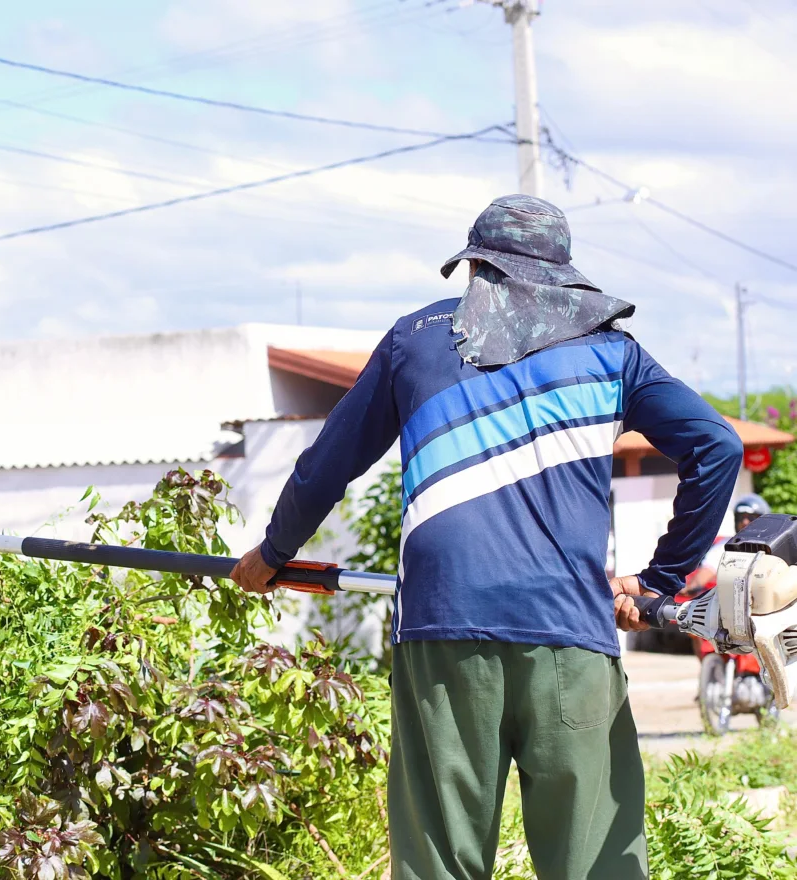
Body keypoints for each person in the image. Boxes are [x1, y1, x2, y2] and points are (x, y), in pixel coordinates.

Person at [230, 194, 743, 880]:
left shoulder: (415, 339)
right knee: (594, 865)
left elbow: (327, 464)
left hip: (444, 633)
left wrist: (273, 554)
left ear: (476, 267)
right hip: (571, 633)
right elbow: (717, 446)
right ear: (566, 278)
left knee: (441, 863)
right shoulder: (613, 355)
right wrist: (658, 583)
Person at [682, 493, 771, 597]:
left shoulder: (774, 544)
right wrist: (691, 587)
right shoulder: (726, 545)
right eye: (741, 517)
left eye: (751, 517)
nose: (745, 522)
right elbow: (709, 569)